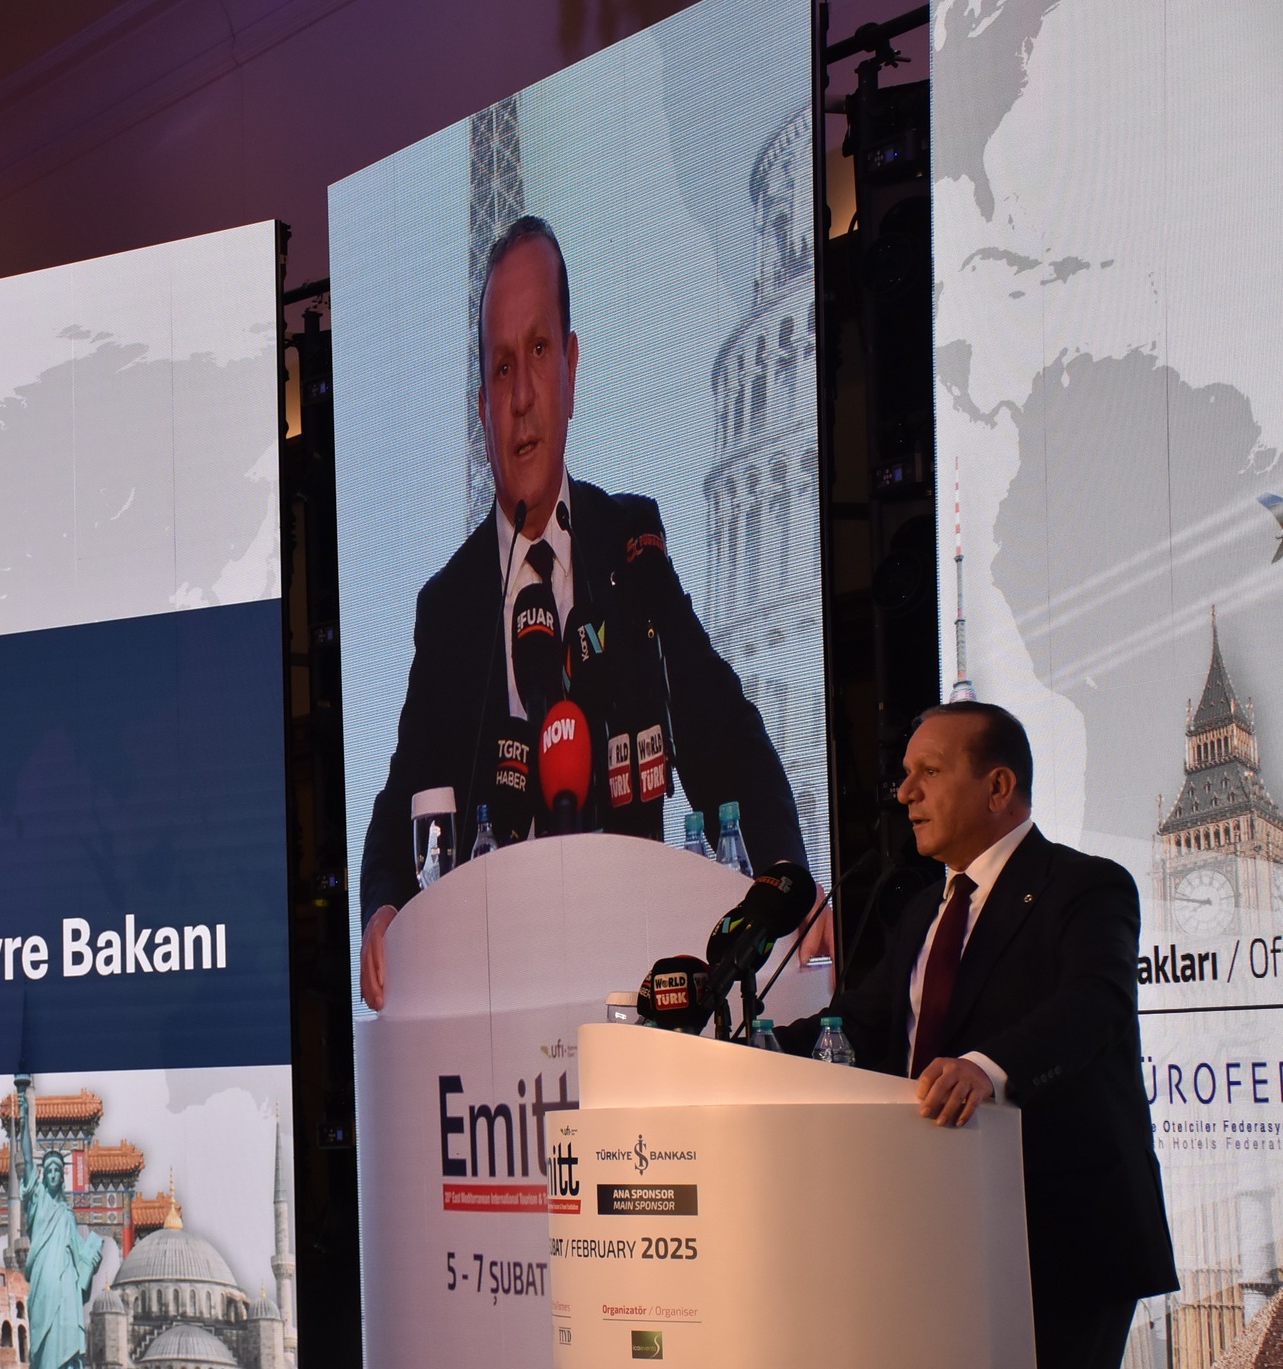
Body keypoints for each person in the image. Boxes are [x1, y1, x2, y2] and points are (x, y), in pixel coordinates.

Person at [359, 214, 803, 1009]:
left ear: (571, 366)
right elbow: (404, 800)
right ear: (482, 405)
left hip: (631, 970)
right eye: (501, 368)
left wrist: (783, 878)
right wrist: (386, 906)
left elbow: (723, 730)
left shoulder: (629, 543)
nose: (522, 397)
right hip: (494, 994)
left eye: (538, 352)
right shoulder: (450, 602)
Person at [781, 701, 1175, 1369]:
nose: (905, 793)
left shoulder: (1085, 886)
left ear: (998, 787)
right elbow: (857, 1022)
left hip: (1064, 1237)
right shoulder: (921, 912)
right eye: (906, 774)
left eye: (929, 772)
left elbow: (1094, 1004)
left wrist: (986, 1068)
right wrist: (742, 1049)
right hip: (939, 1226)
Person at [22, 1148, 102, 1369]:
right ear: (43, 1175)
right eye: (49, 1170)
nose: (53, 1174)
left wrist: (92, 1260)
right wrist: (22, 1125)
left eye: (57, 1170)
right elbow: (27, 1161)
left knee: (67, 1337)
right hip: (43, 1280)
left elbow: (79, 1252)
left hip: (67, 1280)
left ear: (62, 1176)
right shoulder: (37, 1201)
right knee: (43, 1340)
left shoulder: (68, 1215)